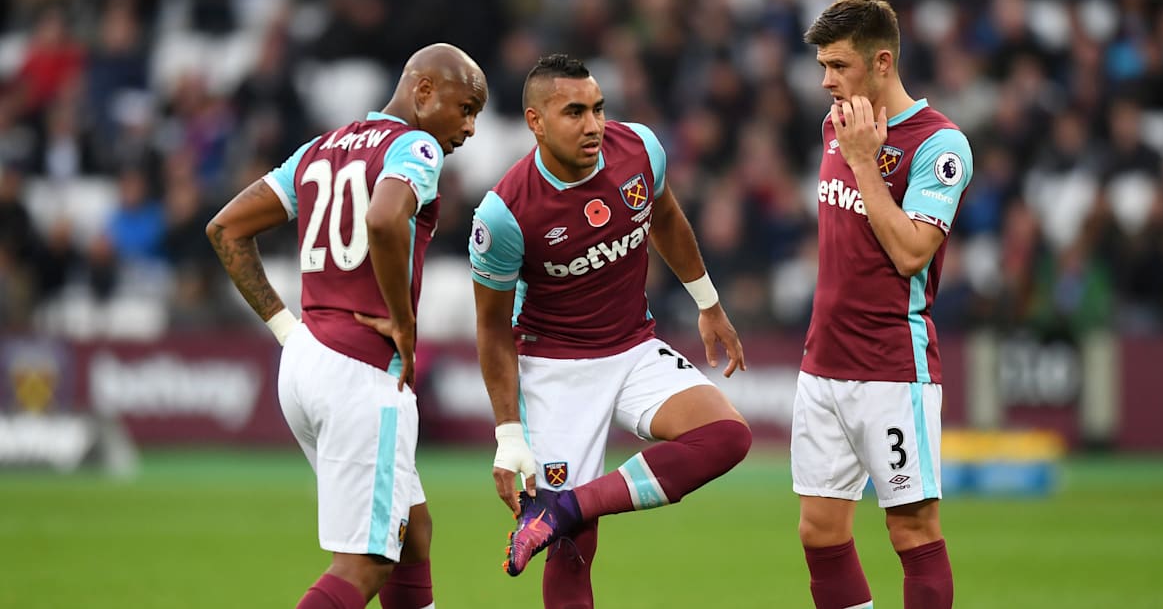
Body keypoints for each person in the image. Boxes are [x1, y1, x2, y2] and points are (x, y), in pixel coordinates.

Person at [206, 43, 487, 609]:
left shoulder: (320, 148)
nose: (471, 127)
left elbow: (225, 228)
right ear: (423, 92)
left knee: (412, 532)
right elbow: (383, 218)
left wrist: (284, 327)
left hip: (306, 358)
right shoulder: (415, 147)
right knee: (366, 562)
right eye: (465, 108)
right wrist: (404, 323)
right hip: (362, 372)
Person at [469, 54, 753, 609]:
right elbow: (491, 329)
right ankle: (567, 515)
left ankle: (566, 506)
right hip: (554, 369)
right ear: (535, 122)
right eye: (574, 112)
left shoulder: (640, 149)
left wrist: (709, 304)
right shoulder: (504, 214)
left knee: (727, 436)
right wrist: (508, 435)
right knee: (573, 551)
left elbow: (665, 219)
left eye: (598, 108)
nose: (593, 125)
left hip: (633, 347)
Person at [792, 0, 972, 609]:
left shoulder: (939, 145)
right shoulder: (837, 123)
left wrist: (865, 163)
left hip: (893, 368)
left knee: (912, 532)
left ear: (882, 62)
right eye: (823, 65)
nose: (826, 80)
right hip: (822, 364)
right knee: (819, 532)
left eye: (839, 65)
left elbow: (912, 253)